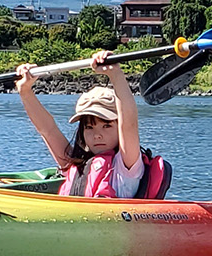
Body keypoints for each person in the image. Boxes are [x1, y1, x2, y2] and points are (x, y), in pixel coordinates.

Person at [15, 51, 171, 198]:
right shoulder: (73, 162)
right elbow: (48, 130)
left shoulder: (127, 165)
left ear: (119, 127)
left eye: (106, 126)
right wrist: (25, 91)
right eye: (89, 127)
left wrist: (116, 75)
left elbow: (129, 123)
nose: (97, 135)